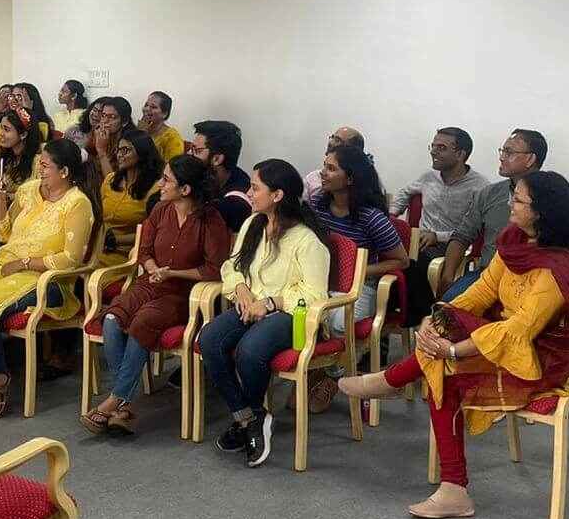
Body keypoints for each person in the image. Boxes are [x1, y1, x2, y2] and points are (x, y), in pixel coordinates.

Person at [342, 171, 569, 519]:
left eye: (518, 200)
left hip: (550, 358)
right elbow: (483, 290)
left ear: (541, 213)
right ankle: (449, 480)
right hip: (506, 340)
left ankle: (394, 386)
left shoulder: (559, 268)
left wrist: (452, 350)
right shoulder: (514, 241)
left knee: (445, 373)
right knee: (445, 334)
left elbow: (518, 330)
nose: (510, 203)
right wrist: (437, 317)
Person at [0, 138, 100, 417]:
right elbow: (2, 233)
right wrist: (1, 200)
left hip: (48, 281)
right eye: (39, 164)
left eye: (45, 166)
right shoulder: (28, 191)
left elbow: (71, 259)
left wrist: (25, 263)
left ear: (64, 172)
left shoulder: (77, 203)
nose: (39, 170)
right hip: (5, 267)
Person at [82, 154, 230, 436]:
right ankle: (124, 406)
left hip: (182, 294)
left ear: (185, 189)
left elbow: (214, 269)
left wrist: (172, 273)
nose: (160, 184)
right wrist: (153, 268)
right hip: (150, 283)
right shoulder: (161, 210)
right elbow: (144, 251)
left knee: (142, 322)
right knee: (112, 318)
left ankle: (115, 400)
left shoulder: (211, 220)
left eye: (166, 180)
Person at [198, 159, 332, 468]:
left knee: (250, 350)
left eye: (255, 188)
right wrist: (240, 288)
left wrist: (271, 303)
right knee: (210, 340)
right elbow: (232, 265)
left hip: (291, 315)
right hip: (250, 305)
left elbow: (315, 295)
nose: (249, 193)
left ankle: (251, 418)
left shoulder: (306, 240)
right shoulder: (253, 224)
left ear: (277, 195)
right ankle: (250, 417)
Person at [308, 144, 409, 414]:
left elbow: (401, 261)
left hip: (359, 285)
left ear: (350, 178)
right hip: (323, 280)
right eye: (324, 166)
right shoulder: (317, 205)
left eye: (331, 168)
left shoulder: (370, 217)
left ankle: (333, 376)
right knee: (302, 312)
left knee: (338, 320)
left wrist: (360, 270)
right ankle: (318, 367)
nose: (323, 173)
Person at [391, 127, 489, 326]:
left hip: (452, 248)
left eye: (441, 148)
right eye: (433, 146)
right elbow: (404, 193)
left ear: (460, 154)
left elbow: (476, 229)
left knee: (409, 264)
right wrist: (391, 215)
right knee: (385, 259)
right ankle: (413, 316)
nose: (433, 152)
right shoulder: (428, 177)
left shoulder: (480, 186)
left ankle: (425, 316)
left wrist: (438, 236)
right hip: (418, 242)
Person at [440, 129, 547, 299]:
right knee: (449, 303)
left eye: (509, 152)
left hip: (529, 279)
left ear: (530, 159)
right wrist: (447, 276)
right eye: (502, 151)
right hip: (486, 275)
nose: (502, 157)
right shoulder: (489, 193)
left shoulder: (551, 196)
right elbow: (462, 236)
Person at [0, 107, 43, 256]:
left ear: (23, 134)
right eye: (1, 128)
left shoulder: (37, 163)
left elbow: (35, 197)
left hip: (20, 218)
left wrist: (6, 197)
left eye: (6, 129)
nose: (0, 133)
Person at [98, 127, 161, 262]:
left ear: (141, 152)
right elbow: (98, 216)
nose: (119, 155)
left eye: (125, 150)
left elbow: (152, 233)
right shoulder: (110, 179)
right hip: (98, 247)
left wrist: (117, 240)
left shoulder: (155, 190)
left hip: (125, 254)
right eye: (118, 150)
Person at [189, 120, 252, 232]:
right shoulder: (207, 177)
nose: (189, 154)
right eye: (190, 148)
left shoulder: (235, 204)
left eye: (196, 151)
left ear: (217, 159)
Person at [301, 125, 364, 199]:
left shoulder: (364, 188)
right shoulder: (312, 178)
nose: (330, 142)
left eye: (337, 140)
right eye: (332, 137)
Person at [87, 97, 134, 178]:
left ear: (124, 122)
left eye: (112, 117)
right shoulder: (98, 132)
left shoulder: (128, 144)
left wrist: (101, 151)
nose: (105, 121)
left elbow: (112, 182)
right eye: (103, 115)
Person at [139, 91, 185, 162]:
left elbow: (174, 166)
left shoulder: (172, 137)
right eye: (146, 105)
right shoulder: (143, 128)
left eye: (153, 107)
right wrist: (139, 131)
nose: (147, 109)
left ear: (165, 114)